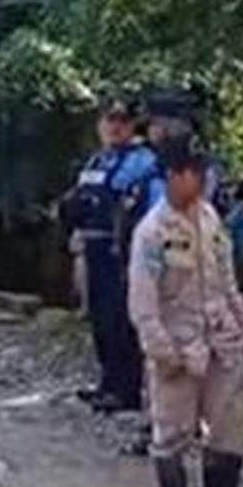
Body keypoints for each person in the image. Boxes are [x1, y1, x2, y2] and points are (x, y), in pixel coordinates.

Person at [129, 136, 243, 487]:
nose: (204, 178)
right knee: (172, 436)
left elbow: (226, 279)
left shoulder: (209, 218)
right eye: (195, 172)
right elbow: (143, 302)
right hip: (179, 350)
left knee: (233, 428)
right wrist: (162, 353)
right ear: (175, 175)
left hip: (221, 345)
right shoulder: (153, 231)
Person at [65, 93, 163, 414]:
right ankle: (107, 381)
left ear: (133, 124)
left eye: (122, 120)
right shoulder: (97, 160)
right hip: (92, 249)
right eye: (110, 120)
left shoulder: (142, 160)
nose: (115, 127)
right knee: (100, 318)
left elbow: (147, 207)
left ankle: (126, 390)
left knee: (123, 320)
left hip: (121, 250)